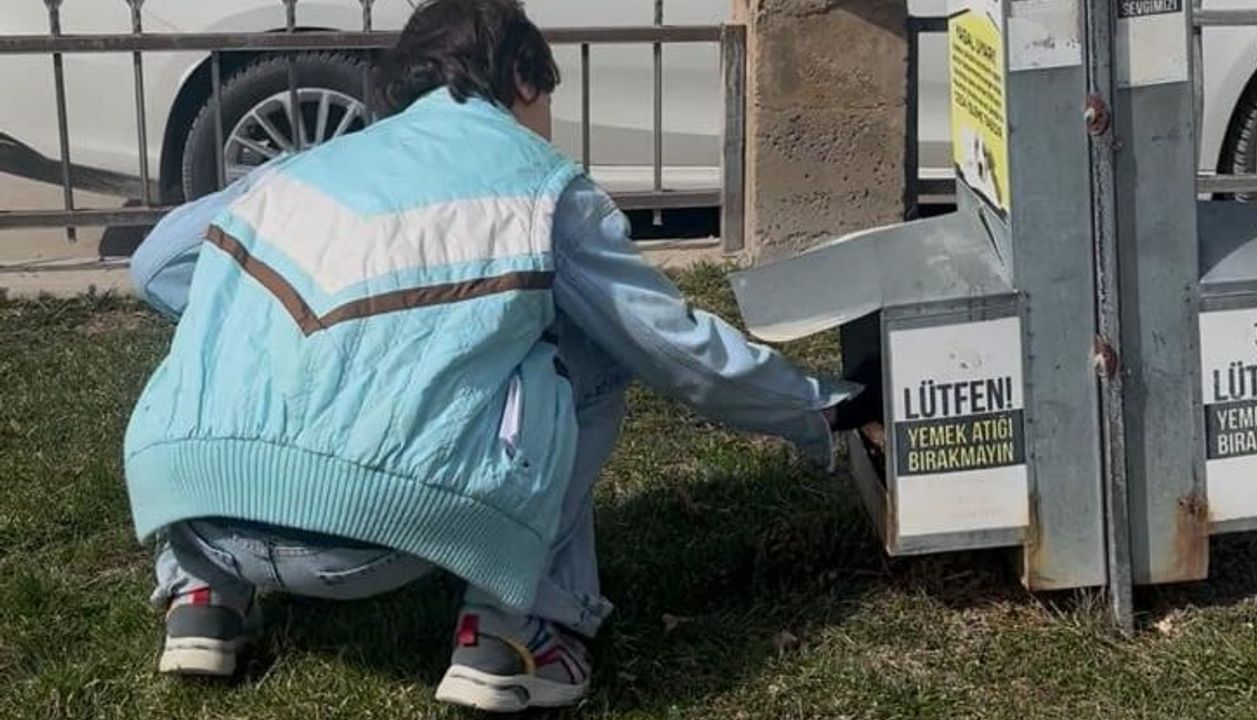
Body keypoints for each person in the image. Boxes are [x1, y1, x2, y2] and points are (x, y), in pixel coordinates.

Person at [124, 0, 875, 712]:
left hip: (193, 507)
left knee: (236, 307)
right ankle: (516, 634)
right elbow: (670, 344)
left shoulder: (300, 168)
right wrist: (817, 408)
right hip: (381, 537)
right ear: (522, 79)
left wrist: (289, 330)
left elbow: (157, 266)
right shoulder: (541, 188)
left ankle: (202, 600)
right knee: (596, 349)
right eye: (547, 98)